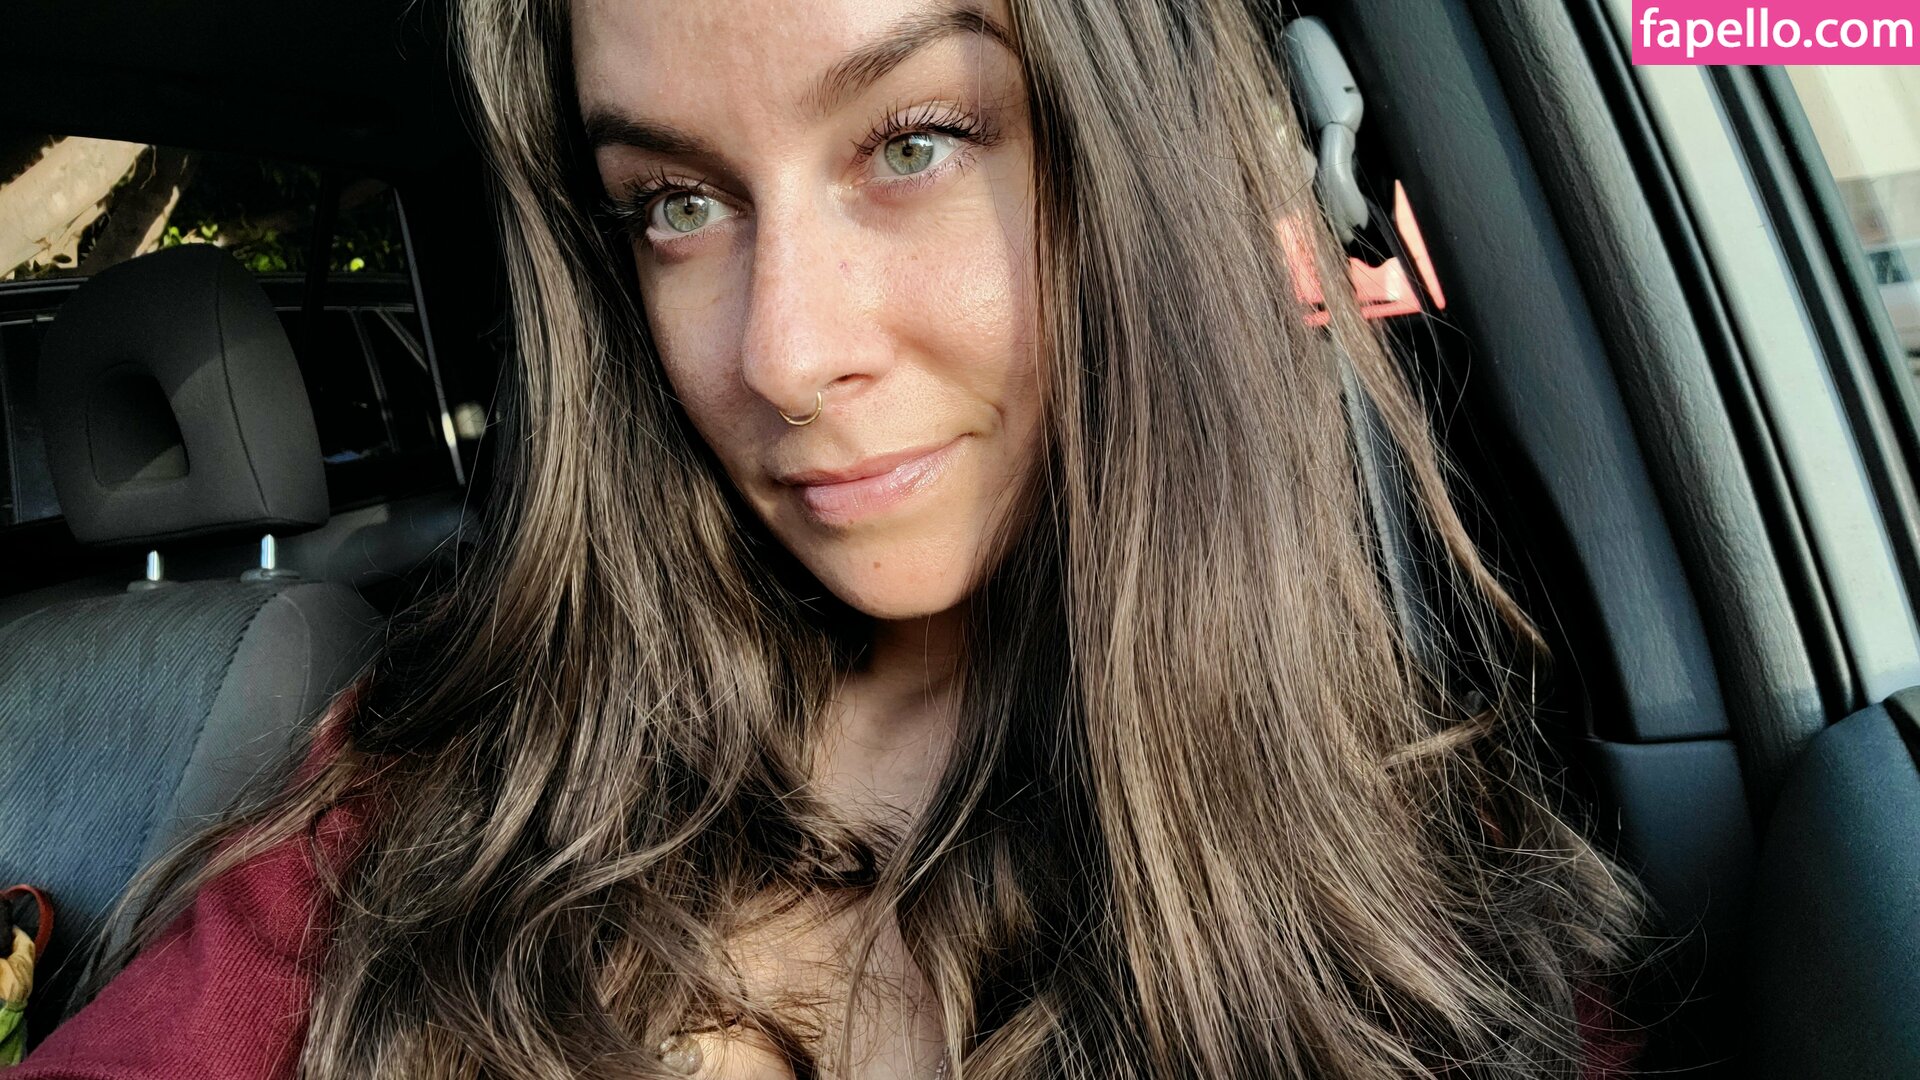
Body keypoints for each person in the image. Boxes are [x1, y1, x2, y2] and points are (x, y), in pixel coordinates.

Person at [16, 0, 1648, 1076]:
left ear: (1144, 165)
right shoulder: (441, 798)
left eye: (913, 143)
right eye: (679, 203)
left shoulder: (1423, 912)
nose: (783, 355)